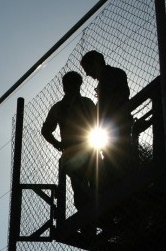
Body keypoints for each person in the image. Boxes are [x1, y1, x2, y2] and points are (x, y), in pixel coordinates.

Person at [80, 50, 138, 187]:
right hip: (114, 126)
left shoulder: (110, 76)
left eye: (87, 69)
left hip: (116, 125)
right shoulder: (113, 75)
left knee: (117, 160)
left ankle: (121, 188)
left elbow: (110, 102)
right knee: (114, 158)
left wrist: (95, 114)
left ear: (95, 63)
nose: (87, 74)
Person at [41, 71, 98, 210]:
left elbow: (99, 122)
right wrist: (57, 143)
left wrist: (57, 144)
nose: (73, 88)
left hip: (89, 150)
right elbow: (46, 130)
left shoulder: (85, 103)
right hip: (78, 152)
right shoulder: (62, 107)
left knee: (94, 187)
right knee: (83, 190)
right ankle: (88, 220)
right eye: (71, 85)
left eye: (75, 85)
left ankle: (92, 216)